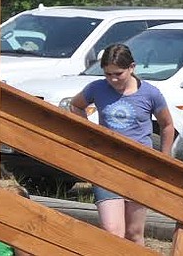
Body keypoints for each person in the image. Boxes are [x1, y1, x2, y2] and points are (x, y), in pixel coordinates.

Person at [67, 43, 176, 245]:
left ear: (132, 67)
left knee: (134, 232)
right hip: (106, 165)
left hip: (139, 168)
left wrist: (165, 156)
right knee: (112, 231)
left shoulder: (150, 94)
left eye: (118, 73)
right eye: (108, 74)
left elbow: (167, 125)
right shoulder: (97, 88)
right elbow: (76, 105)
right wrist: (91, 134)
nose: (113, 79)